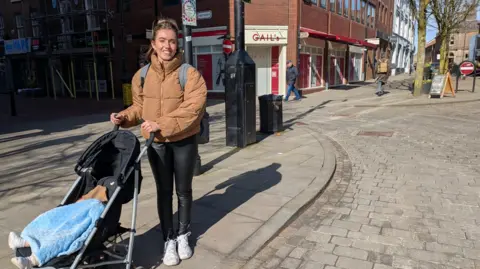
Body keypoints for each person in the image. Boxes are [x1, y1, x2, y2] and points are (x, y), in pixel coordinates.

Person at [110, 17, 207, 266]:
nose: (168, 46)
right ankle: (168, 239)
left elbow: (193, 109)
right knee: (164, 192)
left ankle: (184, 235)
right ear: (153, 43)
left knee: (183, 191)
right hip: (156, 143)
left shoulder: (190, 74)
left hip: (184, 140)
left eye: (172, 41)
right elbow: (140, 107)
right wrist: (124, 117)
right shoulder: (141, 76)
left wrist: (160, 124)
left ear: (178, 44)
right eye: (162, 41)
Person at [8, 186, 108, 269]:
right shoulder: (84, 202)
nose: (82, 198)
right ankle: (24, 242)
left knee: (58, 239)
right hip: (65, 220)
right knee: (46, 222)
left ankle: (32, 260)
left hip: (75, 226)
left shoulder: (96, 205)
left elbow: (90, 219)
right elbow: (68, 210)